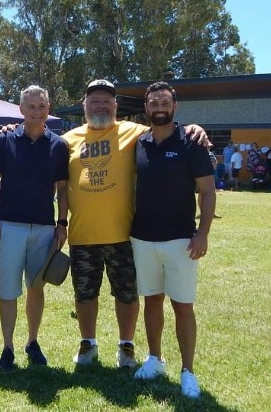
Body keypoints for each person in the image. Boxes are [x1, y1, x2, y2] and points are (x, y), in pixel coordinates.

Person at [61, 79, 208, 369]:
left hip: (124, 234)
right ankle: (87, 344)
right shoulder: (67, 140)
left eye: (106, 101)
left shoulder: (134, 132)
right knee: (85, 293)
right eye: (95, 101)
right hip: (82, 233)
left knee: (126, 294)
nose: (100, 105)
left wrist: (195, 128)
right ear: (84, 106)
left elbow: (166, 127)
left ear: (115, 107)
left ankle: (126, 347)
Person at [130, 81, 215, 399]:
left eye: (165, 102)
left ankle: (188, 371)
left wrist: (203, 232)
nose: (159, 107)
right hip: (142, 238)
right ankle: (155, 359)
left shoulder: (192, 143)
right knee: (151, 300)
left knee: (182, 306)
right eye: (154, 103)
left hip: (181, 240)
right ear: (147, 108)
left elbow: (207, 192)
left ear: (175, 107)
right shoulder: (139, 142)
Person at [0, 85, 69, 371]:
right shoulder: (6, 141)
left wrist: (62, 223)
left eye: (42, 106)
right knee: (8, 290)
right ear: (21, 110)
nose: (37, 111)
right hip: (9, 227)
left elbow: (63, 189)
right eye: (31, 106)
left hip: (44, 228)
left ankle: (32, 342)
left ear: (48, 107)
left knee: (36, 287)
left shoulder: (58, 145)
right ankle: (7, 348)